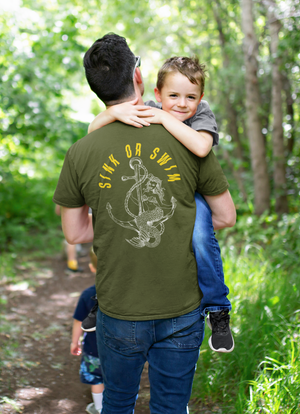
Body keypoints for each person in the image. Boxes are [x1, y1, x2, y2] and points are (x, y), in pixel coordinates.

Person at [53, 33, 236, 414]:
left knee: (116, 402)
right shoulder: (186, 142)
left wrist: (119, 229)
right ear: (140, 77)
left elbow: (75, 232)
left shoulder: (81, 151)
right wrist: (176, 227)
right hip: (182, 308)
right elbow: (225, 216)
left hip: (118, 310)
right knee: (172, 406)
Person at [81, 56, 233, 353]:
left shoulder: (199, 115)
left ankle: (217, 308)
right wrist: (115, 114)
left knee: (201, 237)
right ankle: (102, 300)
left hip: (190, 196)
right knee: (121, 233)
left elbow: (202, 147)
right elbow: (92, 131)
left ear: (200, 98)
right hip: (153, 192)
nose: (181, 103)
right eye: (173, 96)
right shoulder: (147, 109)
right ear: (158, 94)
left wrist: (164, 119)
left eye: (190, 96)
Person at [71, 248, 104, 414]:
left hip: (93, 349)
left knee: (97, 379)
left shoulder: (87, 294)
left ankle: (99, 408)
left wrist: (75, 341)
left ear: (92, 267)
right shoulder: (124, 294)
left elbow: (78, 321)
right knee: (119, 379)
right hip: (120, 348)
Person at [55, 204, 83, 273]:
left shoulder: (61, 193)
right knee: (72, 241)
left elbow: (57, 211)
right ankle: (71, 265)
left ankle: (70, 263)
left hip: (68, 218)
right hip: (75, 218)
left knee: (70, 241)